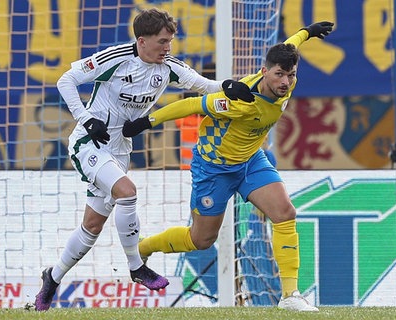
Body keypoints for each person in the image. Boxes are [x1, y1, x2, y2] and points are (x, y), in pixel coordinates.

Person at [34, 8, 254, 311]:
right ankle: (137, 266)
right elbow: (65, 80)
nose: (168, 48)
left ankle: (53, 277)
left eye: (171, 41)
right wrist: (85, 119)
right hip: (89, 143)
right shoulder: (116, 58)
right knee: (128, 192)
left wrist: (229, 85)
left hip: (119, 150)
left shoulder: (169, 67)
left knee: (92, 227)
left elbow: (205, 85)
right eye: (163, 42)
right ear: (142, 41)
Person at [122, 21, 334, 311]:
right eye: (279, 74)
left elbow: (291, 46)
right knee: (201, 239)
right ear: (264, 72)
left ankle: (290, 296)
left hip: (250, 160)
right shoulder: (238, 102)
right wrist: (145, 122)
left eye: (290, 74)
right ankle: (144, 247)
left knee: (285, 213)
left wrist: (307, 33)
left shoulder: (287, 79)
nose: (285, 81)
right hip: (214, 168)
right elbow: (191, 106)